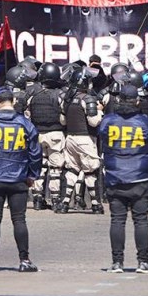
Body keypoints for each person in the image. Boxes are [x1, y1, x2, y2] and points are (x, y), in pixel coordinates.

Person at [0, 87, 42, 272]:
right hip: (19, 177)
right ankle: (24, 260)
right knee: (19, 220)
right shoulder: (25, 123)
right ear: (14, 101)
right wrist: (32, 175)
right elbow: (35, 153)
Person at [97, 84, 148, 274]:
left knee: (117, 220)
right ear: (137, 101)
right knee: (140, 220)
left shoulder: (108, 120)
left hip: (115, 175)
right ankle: (143, 262)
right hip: (139, 175)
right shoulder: (144, 121)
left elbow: (102, 138)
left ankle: (117, 262)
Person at [59, 68, 104, 214]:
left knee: (72, 170)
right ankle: (96, 204)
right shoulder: (87, 99)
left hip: (70, 138)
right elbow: (93, 122)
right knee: (91, 171)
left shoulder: (66, 98)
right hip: (85, 139)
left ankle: (65, 203)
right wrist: (100, 111)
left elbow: (62, 120)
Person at [25, 62, 67, 211]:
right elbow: (64, 115)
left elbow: (25, 113)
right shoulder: (60, 94)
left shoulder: (32, 93)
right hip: (56, 134)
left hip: (37, 134)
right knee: (55, 167)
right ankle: (55, 199)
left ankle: (37, 198)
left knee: (39, 166)